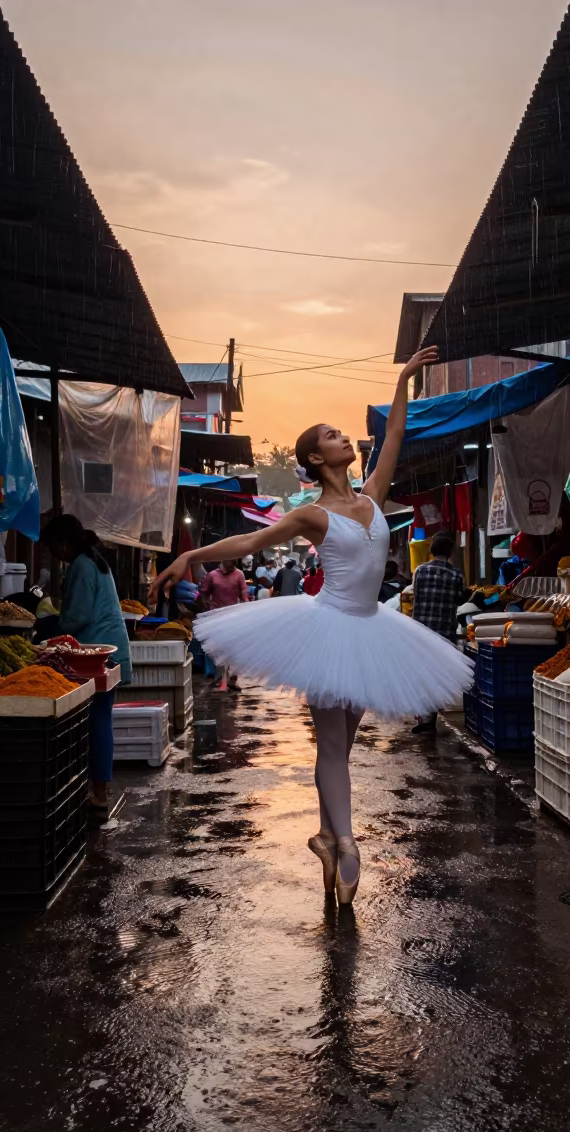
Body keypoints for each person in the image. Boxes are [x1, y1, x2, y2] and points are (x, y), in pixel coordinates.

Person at [153, 346, 473, 905]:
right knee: (330, 747)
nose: (344, 437)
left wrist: (403, 382)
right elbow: (250, 542)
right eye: (332, 435)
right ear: (316, 458)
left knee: (341, 750)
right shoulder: (310, 515)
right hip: (328, 630)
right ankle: (347, 844)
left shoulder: (373, 497)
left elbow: (395, 435)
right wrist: (191, 556)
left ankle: (326, 835)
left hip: (372, 630)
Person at [40, 515, 131, 811]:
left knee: (97, 721)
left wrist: (50, 625)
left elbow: (77, 617)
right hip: (105, 648)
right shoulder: (95, 561)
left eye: (53, 547)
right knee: (98, 720)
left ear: (64, 543)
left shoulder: (82, 565)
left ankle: (100, 793)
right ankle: (96, 789)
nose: (53, 554)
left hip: (95, 653)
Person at [410, 533, 466, 734]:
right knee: (437, 674)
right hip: (444, 633)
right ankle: (430, 717)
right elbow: (460, 600)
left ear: (432, 551)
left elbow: (417, 595)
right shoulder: (456, 575)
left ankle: (423, 716)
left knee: (422, 673)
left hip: (421, 632)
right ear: (450, 553)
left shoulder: (420, 571)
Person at [200, 559, 248, 690]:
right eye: (230, 560)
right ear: (223, 559)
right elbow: (204, 592)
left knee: (234, 648)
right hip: (215, 616)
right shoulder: (212, 575)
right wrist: (205, 603)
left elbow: (244, 593)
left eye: (234, 560)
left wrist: (247, 605)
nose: (233, 562)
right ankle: (220, 676)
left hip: (233, 616)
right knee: (218, 647)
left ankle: (233, 678)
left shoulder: (239, 574)